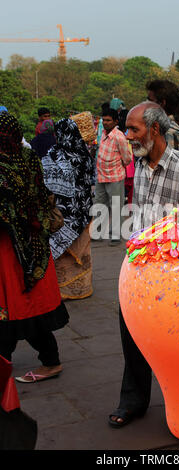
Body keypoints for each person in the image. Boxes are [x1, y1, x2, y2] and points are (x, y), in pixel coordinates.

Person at [108, 102, 179, 427]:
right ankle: (133, 401)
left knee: (177, 343)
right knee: (131, 333)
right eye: (127, 129)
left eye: (134, 129)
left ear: (154, 130)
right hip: (140, 267)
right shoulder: (141, 164)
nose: (128, 136)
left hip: (175, 276)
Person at [0, 112, 69, 383]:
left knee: (13, 307)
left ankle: (48, 362)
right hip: (34, 245)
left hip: (10, 249)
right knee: (25, 306)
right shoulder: (27, 158)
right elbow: (39, 198)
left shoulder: (3, 166)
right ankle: (48, 361)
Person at [42, 118, 94, 299]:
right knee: (82, 249)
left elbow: (46, 182)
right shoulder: (85, 154)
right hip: (85, 211)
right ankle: (83, 288)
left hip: (63, 213)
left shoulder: (55, 154)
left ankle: (63, 290)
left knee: (63, 254)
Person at [91, 108, 132, 246]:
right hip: (101, 176)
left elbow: (127, 158)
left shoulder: (119, 136)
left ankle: (115, 236)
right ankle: (97, 233)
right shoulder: (102, 134)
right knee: (99, 204)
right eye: (104, 120)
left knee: (116, 206)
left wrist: (118, 165)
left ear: (115, 121)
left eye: (108, 120)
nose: (105, 122)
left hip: (115, 176)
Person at [146, 79, 179, 153]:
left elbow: (168, 163)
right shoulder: (159, 127)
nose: (145, 104)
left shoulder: (168, 131)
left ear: (162, 103)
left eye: (150, 100)